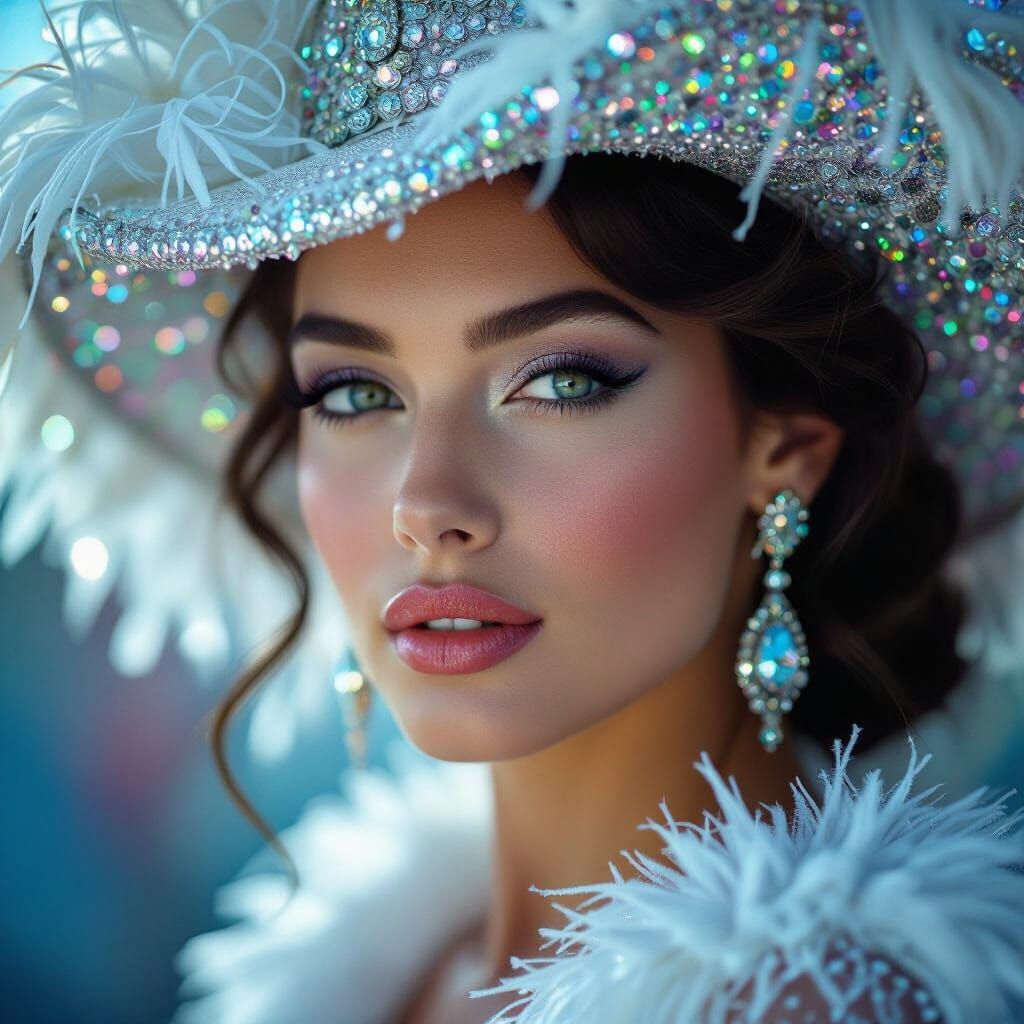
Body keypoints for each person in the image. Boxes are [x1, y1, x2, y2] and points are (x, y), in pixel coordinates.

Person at [1, 1, 1023, 1022]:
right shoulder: (352, 975)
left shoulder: (820, 1003)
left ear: (784, 451)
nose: (427, 506)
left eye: (562, 382)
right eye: (354, 394)